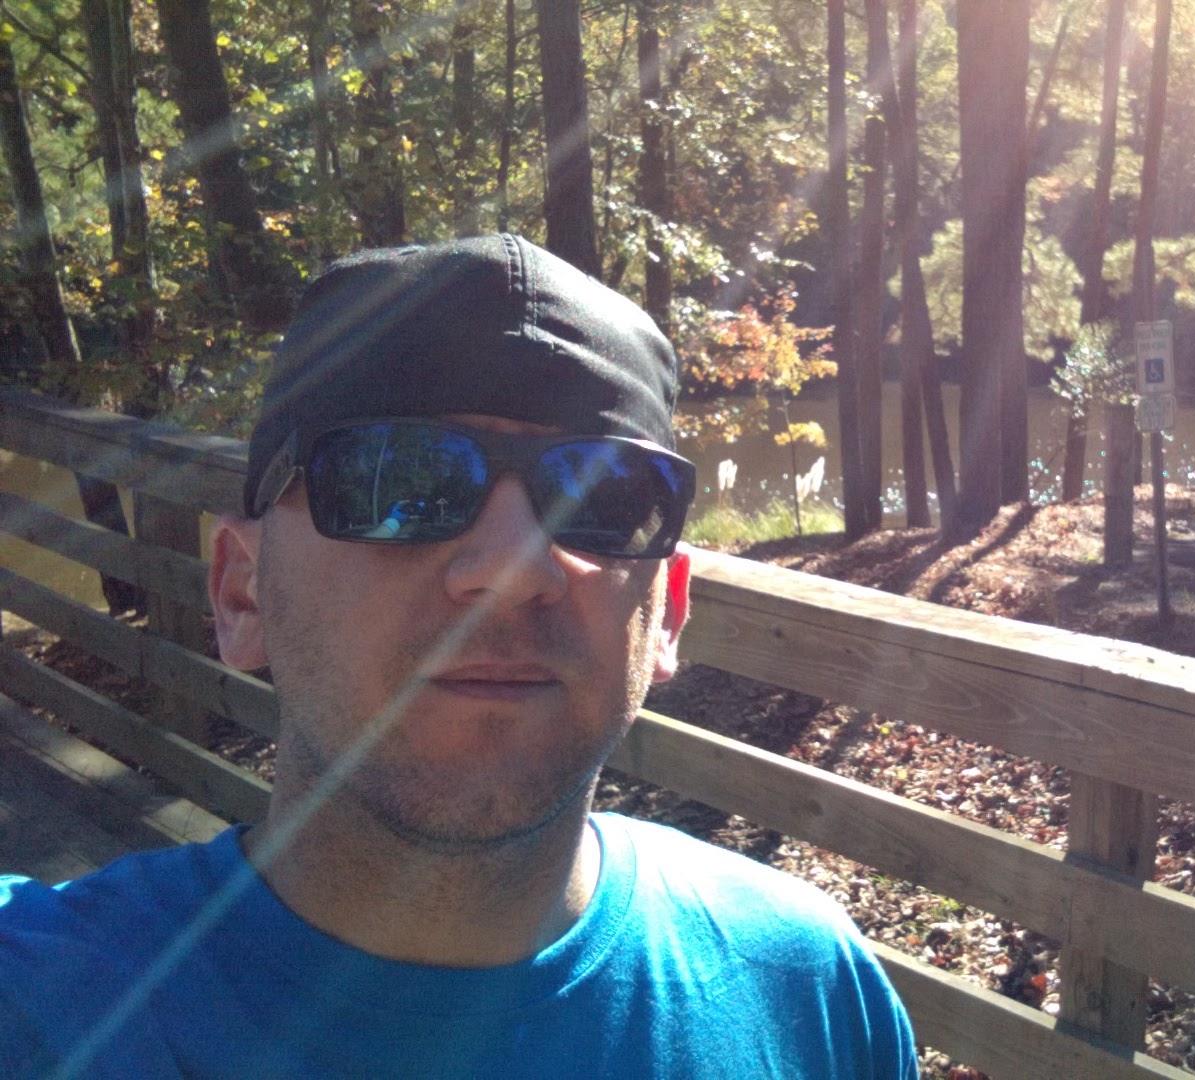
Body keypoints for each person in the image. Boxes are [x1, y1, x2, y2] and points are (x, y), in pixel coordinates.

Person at [0, 235, 917, 1078]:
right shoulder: (37, 1004)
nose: (516, 568)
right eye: (396, 479)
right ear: (244, 595)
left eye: (601, 493)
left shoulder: (810, 991)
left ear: (667, 614)